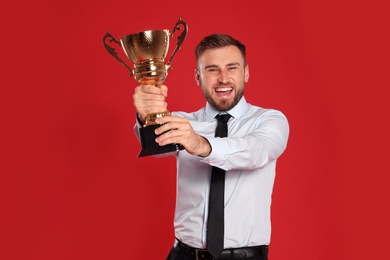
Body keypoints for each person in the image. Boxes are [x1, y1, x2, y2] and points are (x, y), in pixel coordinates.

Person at [133, 33, 289, 260]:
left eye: (232, 68)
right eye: (212, 69)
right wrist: (145, 113)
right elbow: (154, 146)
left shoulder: (269, 120)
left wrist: (200, 144)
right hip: (183, 255)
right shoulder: (183, 122)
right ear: (198, 77)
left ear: (246, 73)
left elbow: (256, 152)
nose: (223, 78)